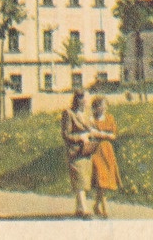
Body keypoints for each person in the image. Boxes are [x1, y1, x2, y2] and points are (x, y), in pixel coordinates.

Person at [61, 89, 97, 219]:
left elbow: (91, 127)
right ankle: (85, 210)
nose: (86, 102)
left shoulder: (88, 112)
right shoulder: (68, 113)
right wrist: (79, 137)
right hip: (75, 152)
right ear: (78, 99)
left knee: (83, 180)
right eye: (84, 99)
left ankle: (78, 209)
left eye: (88, 99)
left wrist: (91, 131)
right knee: (80, 178)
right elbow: (65, 134)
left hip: (86, 151)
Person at [90, 96, 121, 218]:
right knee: (100, 178)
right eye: (101, 106)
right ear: (96, 107)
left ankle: (97, 205)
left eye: (105, 105)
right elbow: (91, 133)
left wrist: (101, 134)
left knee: (105, 179)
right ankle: (104, 208)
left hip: (107, 151)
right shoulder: (92, 119)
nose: (104, 108)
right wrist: (104, 134)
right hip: (97, 151)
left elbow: (113, 135)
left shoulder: (110, 118)